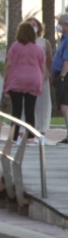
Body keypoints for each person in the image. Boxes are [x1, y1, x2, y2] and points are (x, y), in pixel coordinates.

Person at [2, 22, 45, 141]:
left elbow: (8, 65)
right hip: (33, 80)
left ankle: (13, 136)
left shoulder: (15, 47)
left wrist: (5, 82)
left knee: (16, 110)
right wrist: (40, 82)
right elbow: (42, 67)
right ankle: (30, 136)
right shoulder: (38, 48)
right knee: (30, 110)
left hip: (17, 80)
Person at [26, 17, 54, 134]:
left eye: (34, 24)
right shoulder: (24, 42)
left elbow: (49, 60)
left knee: (43, 104)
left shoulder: (44, 42)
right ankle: (30, 130)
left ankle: (42, 130)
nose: (33, 27)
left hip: (42, 77)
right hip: (28, 77)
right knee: (29, 104)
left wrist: (51, 75)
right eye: (30, 25)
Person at [52, 14, 68, 145]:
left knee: (64, 106)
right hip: (61, 75)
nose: (58, 25)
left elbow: (66, 60)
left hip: (64, 76)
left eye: (60, 23)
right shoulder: (63, 39)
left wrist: (62, 76)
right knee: (64, 106)